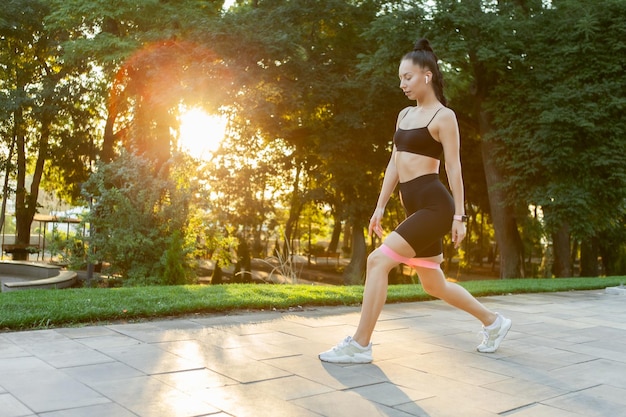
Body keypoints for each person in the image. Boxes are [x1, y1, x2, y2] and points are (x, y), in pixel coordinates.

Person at [319, 39, 511, 364]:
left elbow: (454, 167)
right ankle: (494, 322)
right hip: (414, 205)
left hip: (435, 207)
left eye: (407, 77)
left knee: (377, 261)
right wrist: (380, 206)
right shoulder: (404, 115)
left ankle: (360, 344)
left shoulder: (444, 116)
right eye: (400, 78)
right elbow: (394, 163)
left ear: (427, 75)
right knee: (433, 284)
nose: (402, 84)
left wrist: (460, 216)